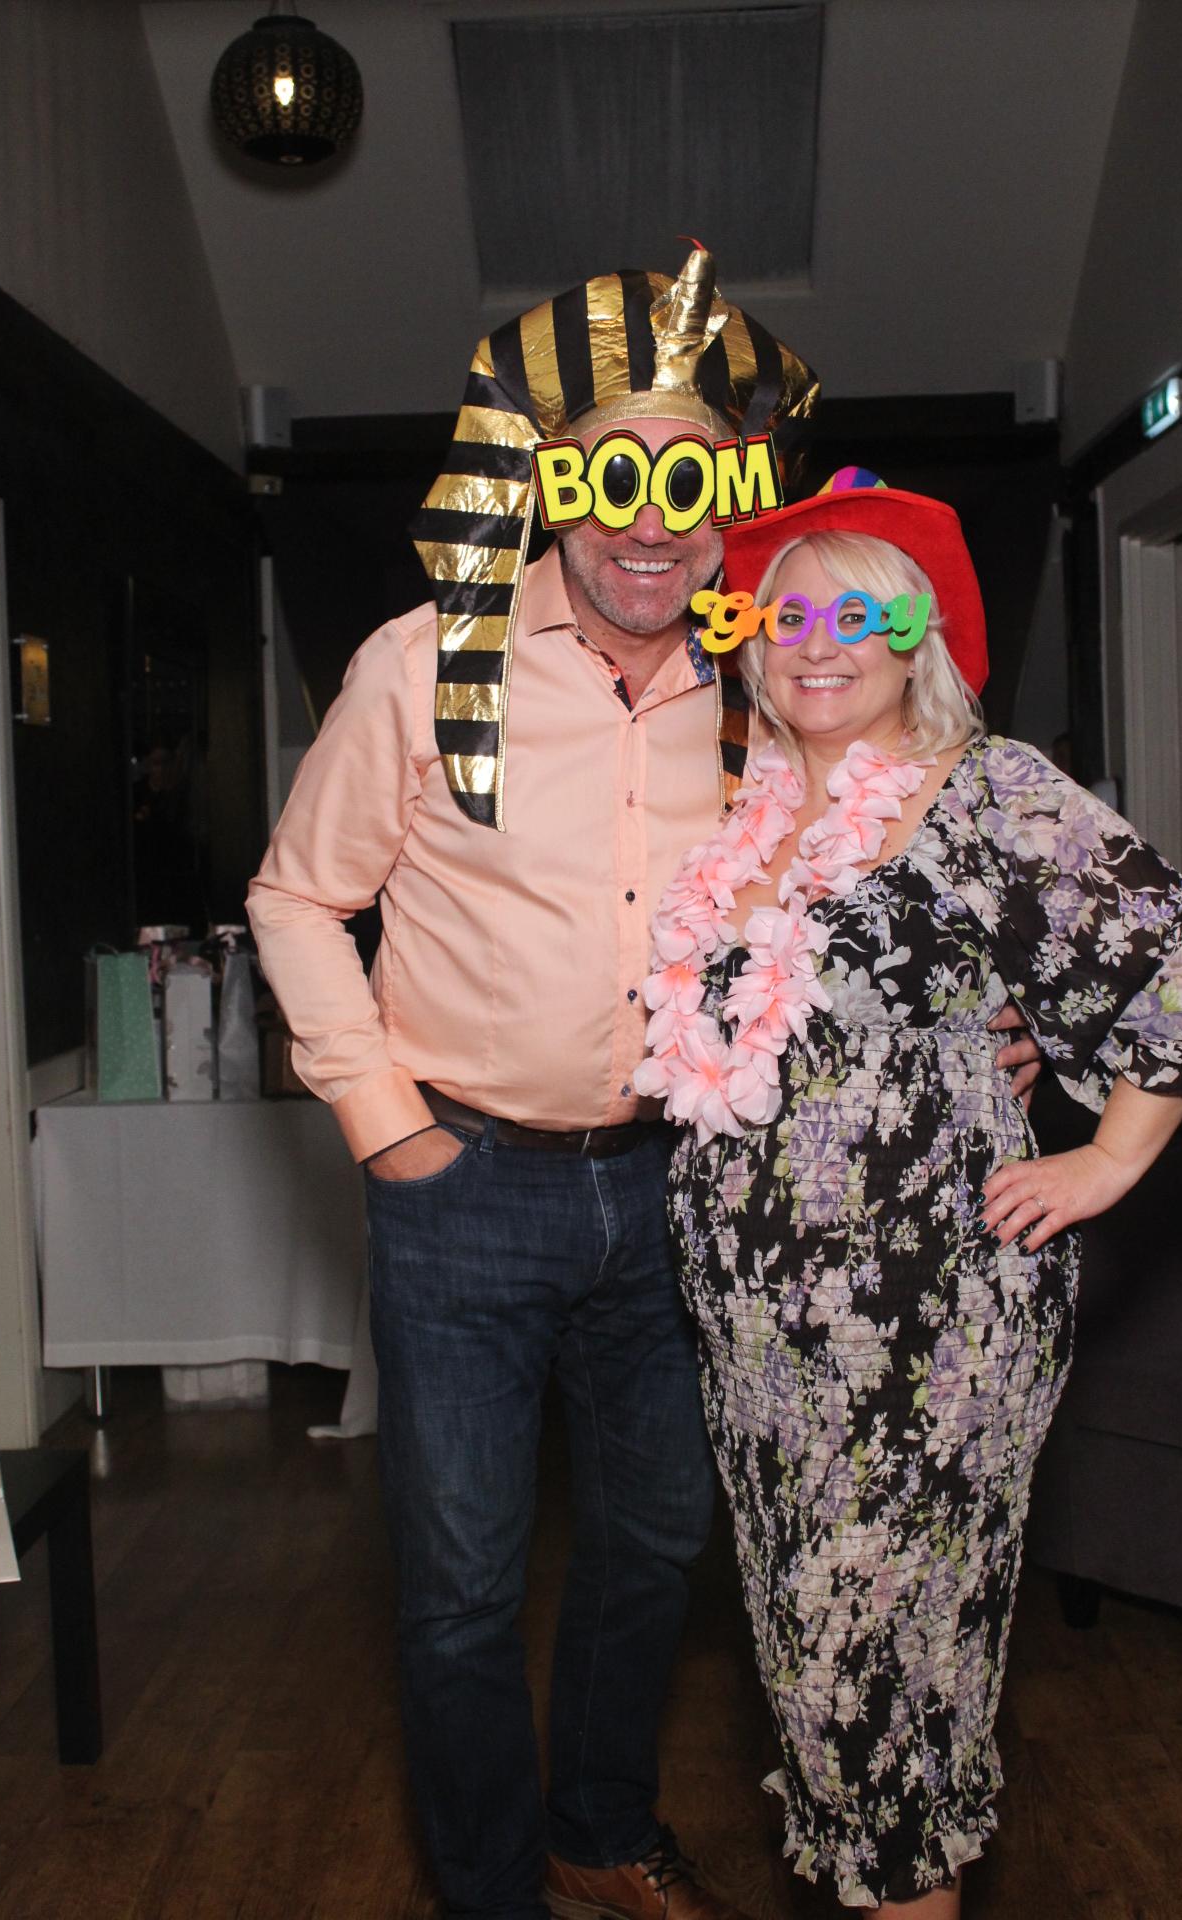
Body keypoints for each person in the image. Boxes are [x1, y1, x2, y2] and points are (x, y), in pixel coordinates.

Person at [246, 255, 1037, 1920]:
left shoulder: (770, 682)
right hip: (462, 1184)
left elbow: (877, 871)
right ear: (557, 482)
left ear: (731, 499)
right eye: (616, 475)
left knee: (659, 1540)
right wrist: (387, 1126)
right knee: (461, 1585)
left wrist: (986, 1025)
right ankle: (490, 1892)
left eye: (692, 483)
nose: (650, 526)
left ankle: (598, 1827)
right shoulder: (425, 664)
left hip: (691, 1186)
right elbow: (298, 898)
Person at [637, 469, 1182, 1913]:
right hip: (762, 1338)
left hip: (932, 1315)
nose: (819, 642)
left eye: (861, 613)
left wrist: (1109, 1154)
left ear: (920, 636)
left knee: (887, 1682)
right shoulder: (748, 810)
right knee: (814, 1662)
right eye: (788, 614)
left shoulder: (988, 790)